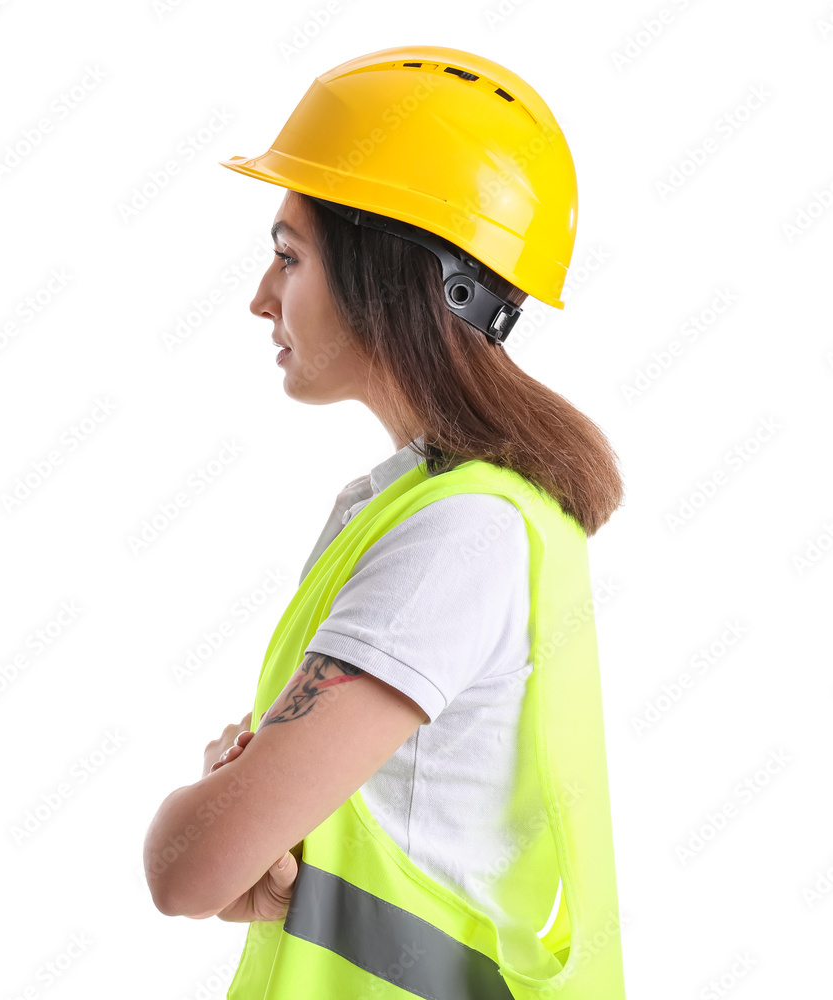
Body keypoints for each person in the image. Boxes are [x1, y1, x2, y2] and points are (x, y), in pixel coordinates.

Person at [144, 45, 627, 999]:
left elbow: (186, 868)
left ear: (391, 275)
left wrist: (203, 811)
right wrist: (256, 820)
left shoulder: (461, 535)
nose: (260, 297)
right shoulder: (450, 511)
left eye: (289, 255)